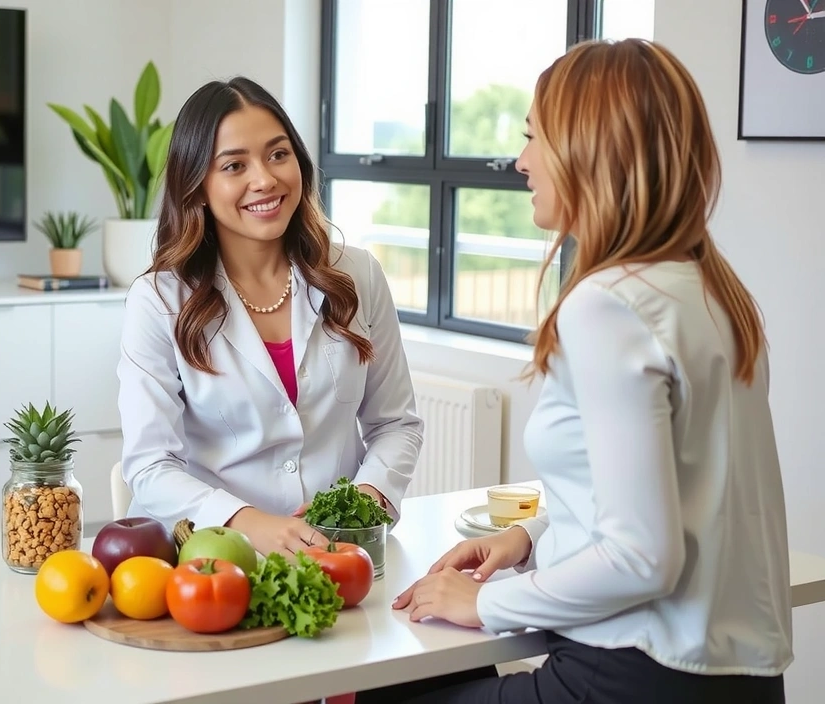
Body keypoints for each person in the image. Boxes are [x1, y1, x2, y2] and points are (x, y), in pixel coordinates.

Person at [356, 38, 792, 704]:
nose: (522, 161)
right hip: (740, 683)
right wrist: (530, 537)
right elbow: (664, 490)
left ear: (591, 150)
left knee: (389, 686)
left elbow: (643, 556)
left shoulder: (607, 305)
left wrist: (486, 606)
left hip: (632, 678)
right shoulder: (709, 290)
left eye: (535, 137)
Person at [116, 76, 424, 561]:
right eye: (235, 165)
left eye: (278, 155)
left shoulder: (357, 274)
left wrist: (368, 500)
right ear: (196, 186)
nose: (265, 179)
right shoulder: (159, 300)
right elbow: (151, 464)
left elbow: (395, 424)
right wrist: (247, 524)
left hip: (337, 557)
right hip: (209, 566)